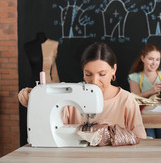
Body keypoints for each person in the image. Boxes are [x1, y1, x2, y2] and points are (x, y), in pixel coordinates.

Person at [18, 42, 147, 139]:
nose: (94, 81)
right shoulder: (70, 97)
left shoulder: (126, 100)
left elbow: (140, 140)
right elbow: (50, 128)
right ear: (82, 71)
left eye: (102, 74)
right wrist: (35, 100)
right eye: (88, 74)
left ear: (114, 69)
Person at [128, 44, 161, 139]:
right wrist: (151, 91)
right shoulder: (134, 77)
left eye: (157, 59)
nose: (154, 63)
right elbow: (135, 97)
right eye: (150, 59)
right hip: (144, 119)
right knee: (149, 143)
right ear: (143, 58)